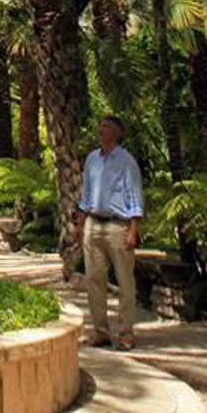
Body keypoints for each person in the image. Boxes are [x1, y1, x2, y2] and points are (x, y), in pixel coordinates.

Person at [74, 114, 144, 351]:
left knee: (125, 281)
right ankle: (101, 331)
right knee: (94, 280)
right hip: (93, 225)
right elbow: (86, 195)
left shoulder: (127, 162)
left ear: (117, 133)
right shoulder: (92, 160)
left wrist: (133, 230)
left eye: (106, 127)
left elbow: (135, 197)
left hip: (118, 226)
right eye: (100, 126)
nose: (101, 130)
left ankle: (126, 333)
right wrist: (80, 223)